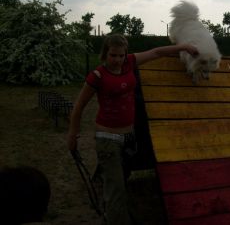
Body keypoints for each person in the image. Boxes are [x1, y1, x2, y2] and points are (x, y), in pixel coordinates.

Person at [67, 34, 198, 225]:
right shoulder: (97, 76)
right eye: (113, 55)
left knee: (120, 185)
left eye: (121, 55)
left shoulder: (129, 63)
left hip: (129, 137)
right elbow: (78, 106)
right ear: (105, 54)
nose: (117, 60)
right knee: (116, 190)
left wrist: (184, 46)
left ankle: (113, 216)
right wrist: (73, 134)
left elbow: (157, 52)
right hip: (107, 139)